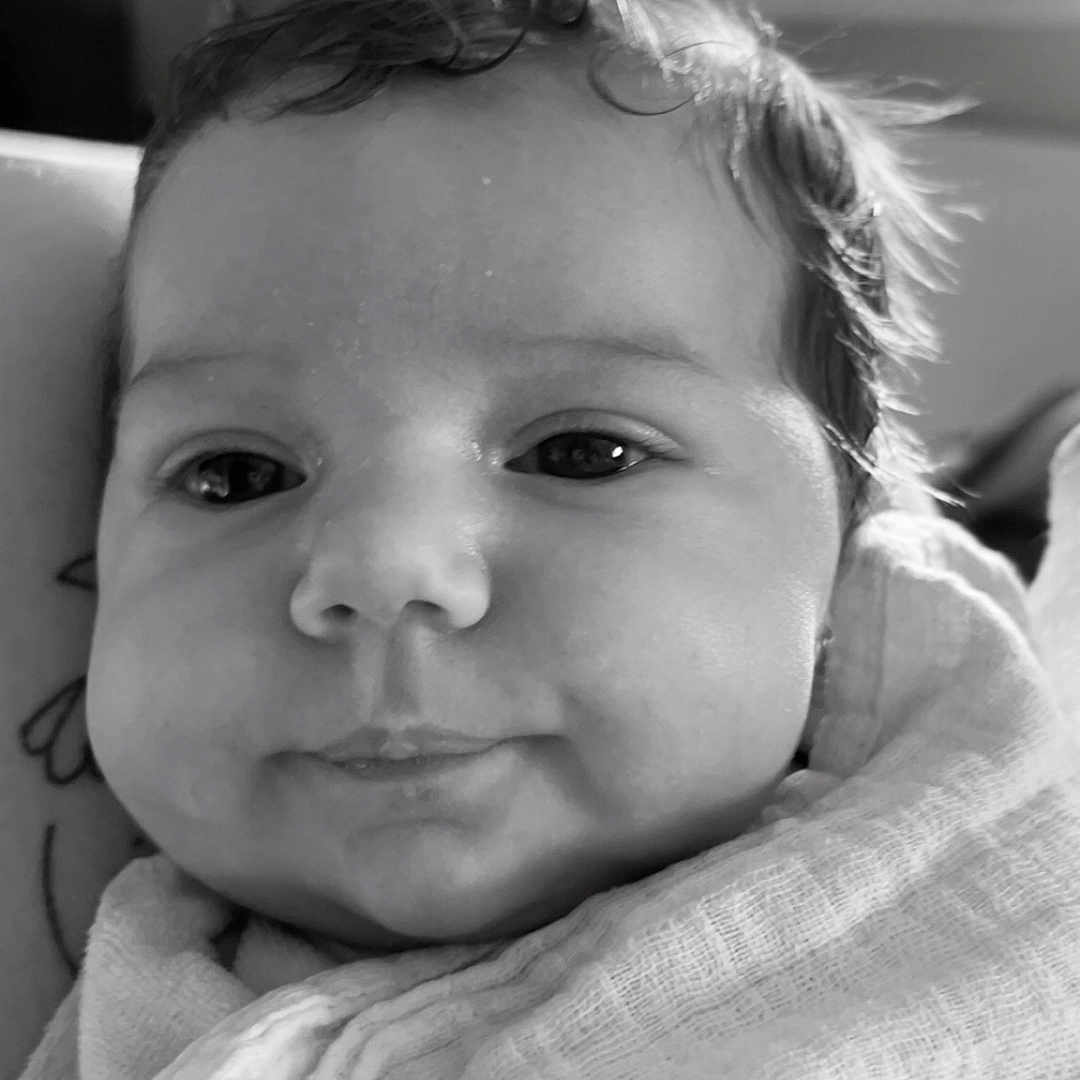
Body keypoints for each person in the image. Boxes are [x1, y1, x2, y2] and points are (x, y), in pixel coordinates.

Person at [18, 0, 1080, 1076]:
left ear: (847, 542)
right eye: (235, 476)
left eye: (584, 454)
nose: (381, 569)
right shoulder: (124, 980)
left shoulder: (978, 879)